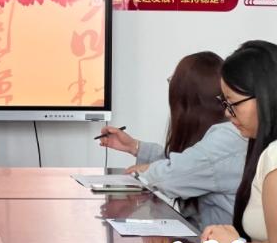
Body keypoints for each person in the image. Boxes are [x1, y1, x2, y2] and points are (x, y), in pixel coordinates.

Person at [98, 51, 247, 230]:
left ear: (188, 97)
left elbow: (172, 175)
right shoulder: (221, 135)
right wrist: (135, 147)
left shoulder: (225, 138)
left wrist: (145, 172)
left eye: (172, 81)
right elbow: (186, 163)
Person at [200, 41, 277, 243]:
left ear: (265, 96)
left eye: (233, 103)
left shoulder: (274, 156)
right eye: (224, 103)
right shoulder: (263, 149)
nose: (227, 113)